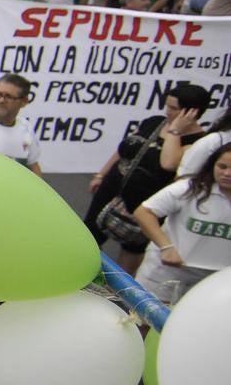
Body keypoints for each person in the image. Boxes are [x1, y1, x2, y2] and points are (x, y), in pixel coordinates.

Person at [84, 83, 211, 272]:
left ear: (192, 112)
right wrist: (101, 174)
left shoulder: (198, 142)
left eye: (174, 108)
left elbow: (168, 163)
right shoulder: (154, 122)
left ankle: (118, 292)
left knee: (132, 248)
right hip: (113, 188)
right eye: (167, 106)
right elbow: (125, 148)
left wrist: (175, 130)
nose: (168, 112)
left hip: (144, 201)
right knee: (89, 235)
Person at [133, 143, 231, 303]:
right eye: (222, 166)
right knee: (144, 321)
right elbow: (144, 212)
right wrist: (166, 247)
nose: (227, 173)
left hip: (216, 279)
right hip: (168, 272)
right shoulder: (190, 188)